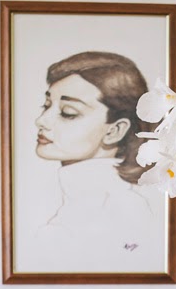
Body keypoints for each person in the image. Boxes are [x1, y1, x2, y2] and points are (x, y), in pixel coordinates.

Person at [22, 51, 165, 274]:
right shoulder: (81, 203)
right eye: (46, 105)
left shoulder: (121, 210)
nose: (41, 120)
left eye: (68, 113)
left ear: (115, 130)